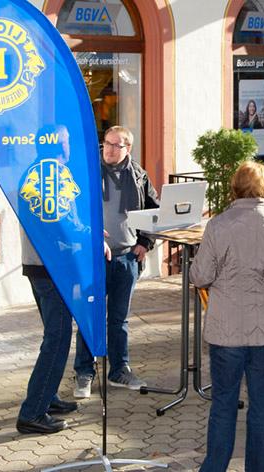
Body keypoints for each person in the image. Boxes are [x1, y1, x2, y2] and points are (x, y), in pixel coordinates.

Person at [190, 161, 264, 472]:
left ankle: (214, 467)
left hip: (226, 328)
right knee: (263, 404)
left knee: (224, 403)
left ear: (234, 188)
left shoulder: (218, 225)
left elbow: (200, 275)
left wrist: (193, 269)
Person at [74, 125, 160, 398]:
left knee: (119, 319)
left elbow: (154, 211)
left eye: (115, 145)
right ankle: (85, 372)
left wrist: (145, 243)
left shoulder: (138, 176)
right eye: (106, 144)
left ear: (128, 149)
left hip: (125, 259)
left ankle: (119, 370)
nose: (109, 150)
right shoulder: (87, 170)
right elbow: (73, 209)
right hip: (93, 259)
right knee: (90, 315)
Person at [16, 126, 86, 434]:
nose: (70, 145)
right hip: (50, 268)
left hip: (41, 266)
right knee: (57, 340)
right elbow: (56, 223)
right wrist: (89, 235)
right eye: (67, 140)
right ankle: (32, 413)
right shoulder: (47, 175)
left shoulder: (42, 172)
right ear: (57, 144)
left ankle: (49, 395)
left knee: (54, 335)